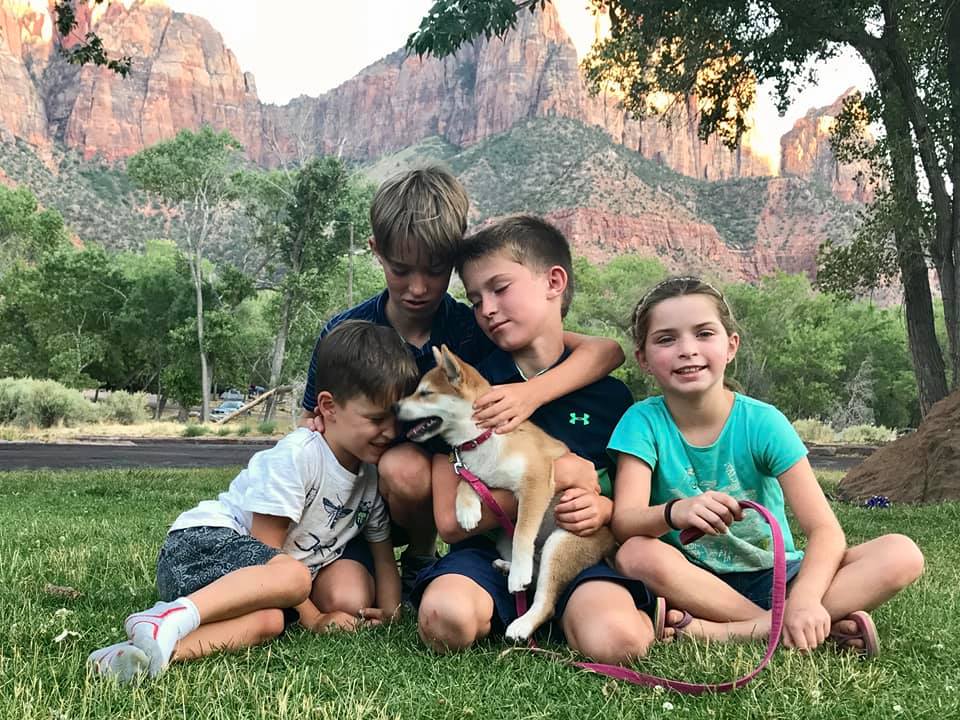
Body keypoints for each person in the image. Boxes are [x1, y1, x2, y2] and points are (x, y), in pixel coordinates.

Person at [299, 167, 624, 596]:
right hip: (361, 487)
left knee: (407, 468)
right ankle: (338, 547)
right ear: (376, 251)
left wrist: (533, 393)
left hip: (435, 481)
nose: (417, 287)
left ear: (452, 259)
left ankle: (419, 558)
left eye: (434, 271)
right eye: (400, 270)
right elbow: (312, 421)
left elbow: (606, 351)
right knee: (350, 586)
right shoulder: (344, 332)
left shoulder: (470, 330)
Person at [87, 321, 419, 682]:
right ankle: (167, 617)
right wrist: (314, 618)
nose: (390, 431)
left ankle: (148, 656)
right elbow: (265, 548)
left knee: (271, 621)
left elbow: (383, 554)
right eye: (376, 418)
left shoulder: (370, 475)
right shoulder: (300, 456)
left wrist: (390, 612)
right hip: (199, 547)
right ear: (328, 407)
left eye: (395, 419)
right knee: (291, 576)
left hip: (254, 585)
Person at [609, 276, 925, 655]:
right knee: (634, 554)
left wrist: (806, 597)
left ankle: (736, 630)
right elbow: (625, 522)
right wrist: (677, 511)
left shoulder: (763, 422)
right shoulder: (640, 422)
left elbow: (825, 530)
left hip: (776, 575)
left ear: (731, 346)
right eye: (666, 339)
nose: (687, 349)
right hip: (693, 581)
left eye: (704, 333)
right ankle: (792, 626)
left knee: (901, 553)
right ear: (643, 358)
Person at [414, 215, 673, 665]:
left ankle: (571, 607)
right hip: (488, 551)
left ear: (554, 281)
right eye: (475, 300)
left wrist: (605, 507)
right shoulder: (473, 385)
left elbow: (620, 502)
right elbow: (450, 525)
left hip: (576, 549)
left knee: (619, 641)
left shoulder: (610, 397)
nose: (487, 309)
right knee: (445, 618)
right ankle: (514, 601)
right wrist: (549, 479)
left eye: (500, 288)